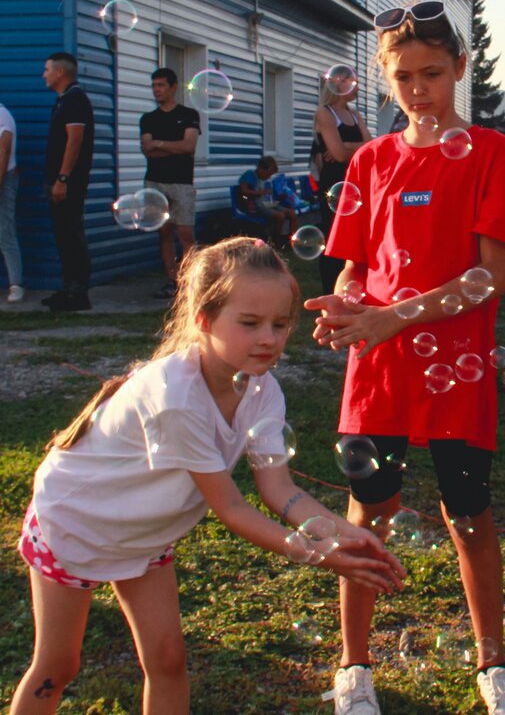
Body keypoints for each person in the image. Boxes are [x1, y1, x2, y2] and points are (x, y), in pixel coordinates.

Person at [8, 237, 405, 715]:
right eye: (250, 323)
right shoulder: (177, 396)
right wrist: (322, 555)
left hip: (143, 533)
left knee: (169, 659)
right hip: (77, 523)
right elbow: (230, 507)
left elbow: (279, 488)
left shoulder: (261, 389)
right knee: (57, 668)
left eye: (281, 325)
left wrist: (350, 537)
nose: (269, 339)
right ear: (203, 320)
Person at [304, 1, 505, 715]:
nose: (418, 90)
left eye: (432, 73)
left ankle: (494, 663)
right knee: (369, 511)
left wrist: (386, 315)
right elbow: (350, 266)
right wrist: (347, 306)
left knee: (469, 509)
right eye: (403, 77)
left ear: (461, 69)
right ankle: (355, 666)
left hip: (454, 360)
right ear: (385, 78)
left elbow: (491, 275)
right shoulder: (372, 159)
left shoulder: (491, 152)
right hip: (377, 367)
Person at [140, 68, 201, 300]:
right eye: (154, 86)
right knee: (164, 232)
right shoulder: (148, 119)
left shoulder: (189, 115)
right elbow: (147, 149)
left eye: (161, 85)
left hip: (182, 182)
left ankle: (192, 280)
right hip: (155, 181)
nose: (157, 90)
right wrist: (169, 147)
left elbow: (188, 147)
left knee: (185, 231)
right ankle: (172, 280)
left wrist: (160, 144)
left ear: (173, 87)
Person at [41, 52, 94, 312]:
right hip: (57, 181)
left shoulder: (75, 99)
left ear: (60, 72)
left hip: (68, 183)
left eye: (47, 69)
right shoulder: (63, 100)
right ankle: (67, 289)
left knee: (71, 233)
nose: (44, 74)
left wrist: (63, 178)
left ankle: (78, 293)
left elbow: (75, 140)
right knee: (63, 235)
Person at [314, 67, 371, 295]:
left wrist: (346, 146)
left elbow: (370, 148)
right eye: (352, 81)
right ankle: (331, 290)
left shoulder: (355, 115)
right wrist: (348, 149)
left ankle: (352, 285)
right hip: (334, 185)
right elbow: (337, 155)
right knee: (333, 236)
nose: (356, 85)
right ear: (338, 84)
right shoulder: (325, 113)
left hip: (356, 182)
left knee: (356, 235)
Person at [237, 155, 299, 243]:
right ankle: (276, 240)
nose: (269, 177)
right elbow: (243, 191)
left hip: (266, 204)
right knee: (280, 216)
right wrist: (261, 192)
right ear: (261, 169)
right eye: (268, 174)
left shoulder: (262, 178)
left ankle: (293, 240)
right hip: (256, 206)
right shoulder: (250, 175)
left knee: (292, 213)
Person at [0, 99, 21, 302]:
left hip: (5, 179)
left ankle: (16, 284)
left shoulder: (3, 116)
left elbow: (3, 152)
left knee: (5, 232)